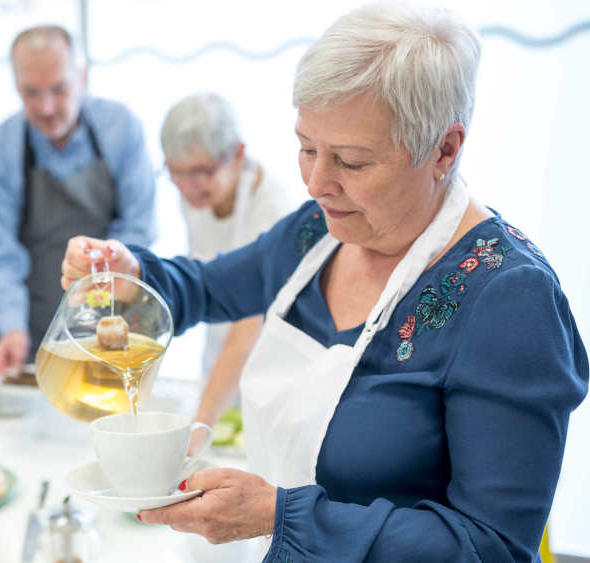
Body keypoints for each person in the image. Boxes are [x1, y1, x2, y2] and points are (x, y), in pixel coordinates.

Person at [60, 3, 588, 561]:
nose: (316, 183)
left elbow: (494, 548)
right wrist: (134, 273)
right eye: (307, 148)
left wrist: (279, 516)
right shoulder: (320, 231)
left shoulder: (509, 299)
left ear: (445, 150)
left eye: (352, 162)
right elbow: (210, 287)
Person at [0, 25, 157, 375]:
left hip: (117, 319)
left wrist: (106, 298)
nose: (47, 107)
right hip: (33, 330)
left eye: (59, 89)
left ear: (82, 77)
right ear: (15, 86)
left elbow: (137, 229)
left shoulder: (121, 129)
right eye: (31, 93)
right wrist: (10, 327)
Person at [160, 93, 300, 423]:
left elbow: (247, 328)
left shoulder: (273, 211)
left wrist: (201, 422)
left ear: (237, 155)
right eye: (175, 173)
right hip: (218, 364)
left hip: (273, 372)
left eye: (200, 172)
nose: (188, 187)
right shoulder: (193, 197)